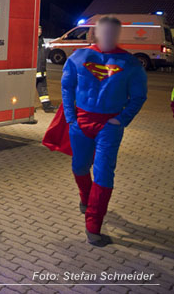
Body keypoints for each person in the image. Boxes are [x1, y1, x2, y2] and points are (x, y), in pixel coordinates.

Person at [57, 15, 147, 247]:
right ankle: (85, 197)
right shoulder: (78, 57)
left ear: (118, 35)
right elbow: (67, 87)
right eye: (103, 31)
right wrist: (71, 118)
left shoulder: (131, 63)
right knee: (79, 166)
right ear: (95, 33)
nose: (108, 36)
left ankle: (93, 225)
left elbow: (139, 96)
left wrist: (122, 119)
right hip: (81, 121)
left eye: (112, 32)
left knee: (104, 173)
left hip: (110, 125)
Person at [36, 25, 57, 113]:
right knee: (27, 91)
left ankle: (47, 106)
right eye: (38, 29)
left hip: (41, 70)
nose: (40, 31)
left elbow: (44, 53)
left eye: (40, 29)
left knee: (43, 89)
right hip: (34, 70)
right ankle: (26, 108)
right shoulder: (32, 40)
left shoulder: (41, 40)